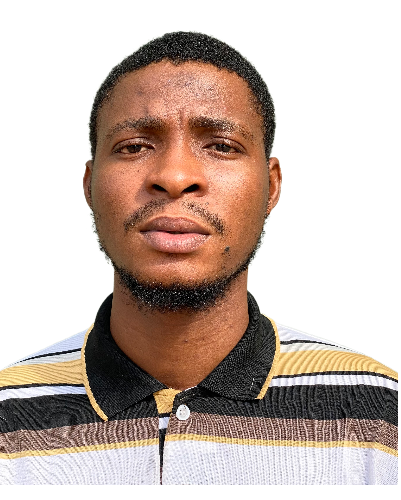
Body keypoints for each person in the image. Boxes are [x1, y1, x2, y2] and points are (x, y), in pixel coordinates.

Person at [0, 32, 397, 485]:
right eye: (134, 146)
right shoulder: (8, 419)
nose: (175, 176)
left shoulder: (381, 419)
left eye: (221, 145)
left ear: (271, 187)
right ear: (89, 185)